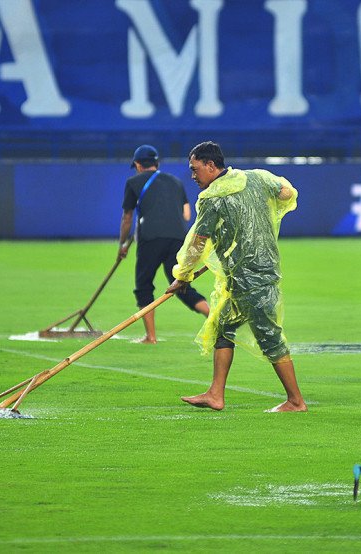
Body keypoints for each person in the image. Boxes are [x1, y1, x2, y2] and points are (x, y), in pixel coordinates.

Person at [166, 141, 306, 412]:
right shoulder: (257, 178)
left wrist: (183, 275)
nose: (193, 176)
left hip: (249, 279)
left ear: (210, 165)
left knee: (270, 337)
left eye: (195, 170)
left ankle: (296, 401)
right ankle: (216, 394)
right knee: (223, 328)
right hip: (256, 273)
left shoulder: (212, 199)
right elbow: (287, 192)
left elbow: (197, 243)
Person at [118, 144, 209, 344]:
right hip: (178, 238)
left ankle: (151, 336)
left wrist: (122, 245)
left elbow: (127, 217)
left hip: (150, 238)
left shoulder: (133, 182)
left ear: (138, 165)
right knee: (180, 285)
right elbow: (186, 214)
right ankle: (213, 317)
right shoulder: (175, 182)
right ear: (157, 163)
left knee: (143, 286)